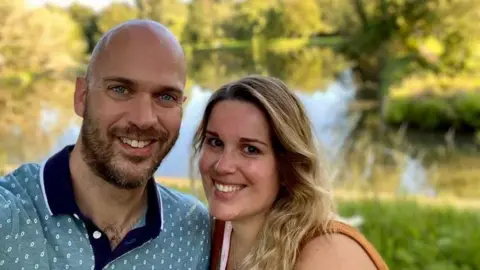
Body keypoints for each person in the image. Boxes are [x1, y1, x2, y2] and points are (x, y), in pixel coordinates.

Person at [0, 20, 211, 270]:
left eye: (166, 97)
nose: (143, 119)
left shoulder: (194, 230)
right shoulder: (11, 216)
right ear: (82, 96)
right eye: (120, 89)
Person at [190, 75, 389, 270]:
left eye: (250, 149)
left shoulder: (327, 254)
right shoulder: (213, 236)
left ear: (288, 165)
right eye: (215, 143)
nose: (223, 166)